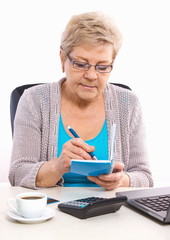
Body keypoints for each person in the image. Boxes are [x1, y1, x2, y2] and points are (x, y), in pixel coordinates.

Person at [9, 11, 153, 190]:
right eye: (81, 64)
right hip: (52, 212)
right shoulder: (35, 100)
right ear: (63, 58)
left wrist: (121, 180)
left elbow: (144, 176)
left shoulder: (128, 103)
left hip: (111, 212)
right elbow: (17, 173)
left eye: (102, 67)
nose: (92, 75)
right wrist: (57, 166)